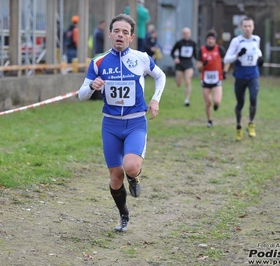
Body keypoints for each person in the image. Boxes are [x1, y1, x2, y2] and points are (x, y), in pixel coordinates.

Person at [77, 13, 166, 233]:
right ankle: (123, 213)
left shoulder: (141, 58)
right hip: (111, 125)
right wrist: (92, 86)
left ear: (131, 37)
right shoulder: (98, 61)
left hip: (135, 122)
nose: (120, 35)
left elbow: (161, 76)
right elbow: (81, 95)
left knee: (131, 166)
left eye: (125, 32)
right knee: (115, 178)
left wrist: (155, 99)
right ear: (109, 34)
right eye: (116, 31)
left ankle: (134, 178)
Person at [224, 17, 264, 141]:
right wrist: (238, 55)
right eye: (245, 26)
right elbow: (226, 60)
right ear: (241, 28)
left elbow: (257, 51)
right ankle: (238, 126)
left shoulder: (256, 39)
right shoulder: (237, 41)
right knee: (240, 103)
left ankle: (251, 123)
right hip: (240, 76)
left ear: (253, 27)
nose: (247, 28)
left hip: (253, 75)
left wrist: (260, 58)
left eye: (249, 26)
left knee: (253, 99)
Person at [197, 30, 229, 128]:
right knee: (207, 102)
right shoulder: (202, 50)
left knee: (216, 101)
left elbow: (227, 61)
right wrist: (203, 65)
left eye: (212, 39)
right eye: (209, 39)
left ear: (215, 40)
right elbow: (198, 67)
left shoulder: (219, 49)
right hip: (205, 79)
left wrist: (225, 71)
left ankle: (216, 105)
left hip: (217, 78)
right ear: (206, 40)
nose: (211, 41)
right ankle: (209, 120)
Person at [170, 27, 198, 106]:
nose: (186, 35)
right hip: (180, 63)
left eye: (187, 33)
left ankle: (187, 100)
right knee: (179, 83)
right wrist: (175, 58)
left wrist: (199, 61)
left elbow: (196, 55)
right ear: (183, 34)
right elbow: (172, 52)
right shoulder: (179, 43)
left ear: (190, 34)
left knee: (188, 80)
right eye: (184, 33)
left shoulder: (193, 43)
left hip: (189, 63)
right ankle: (178, 79)